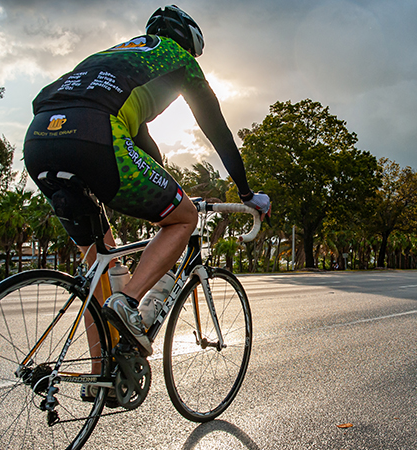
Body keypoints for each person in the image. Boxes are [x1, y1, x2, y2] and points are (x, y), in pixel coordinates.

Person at [23, 5, 270, 359]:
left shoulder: (115, 58)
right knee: (183, 218)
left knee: (100, 271)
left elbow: (144, 143)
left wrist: (172, 186)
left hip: (40, 139)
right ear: (189, 45)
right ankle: (129, 302)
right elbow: (217, 130)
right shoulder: (177, 59)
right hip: (95, 134)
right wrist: (247, 193)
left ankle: (100, 377)